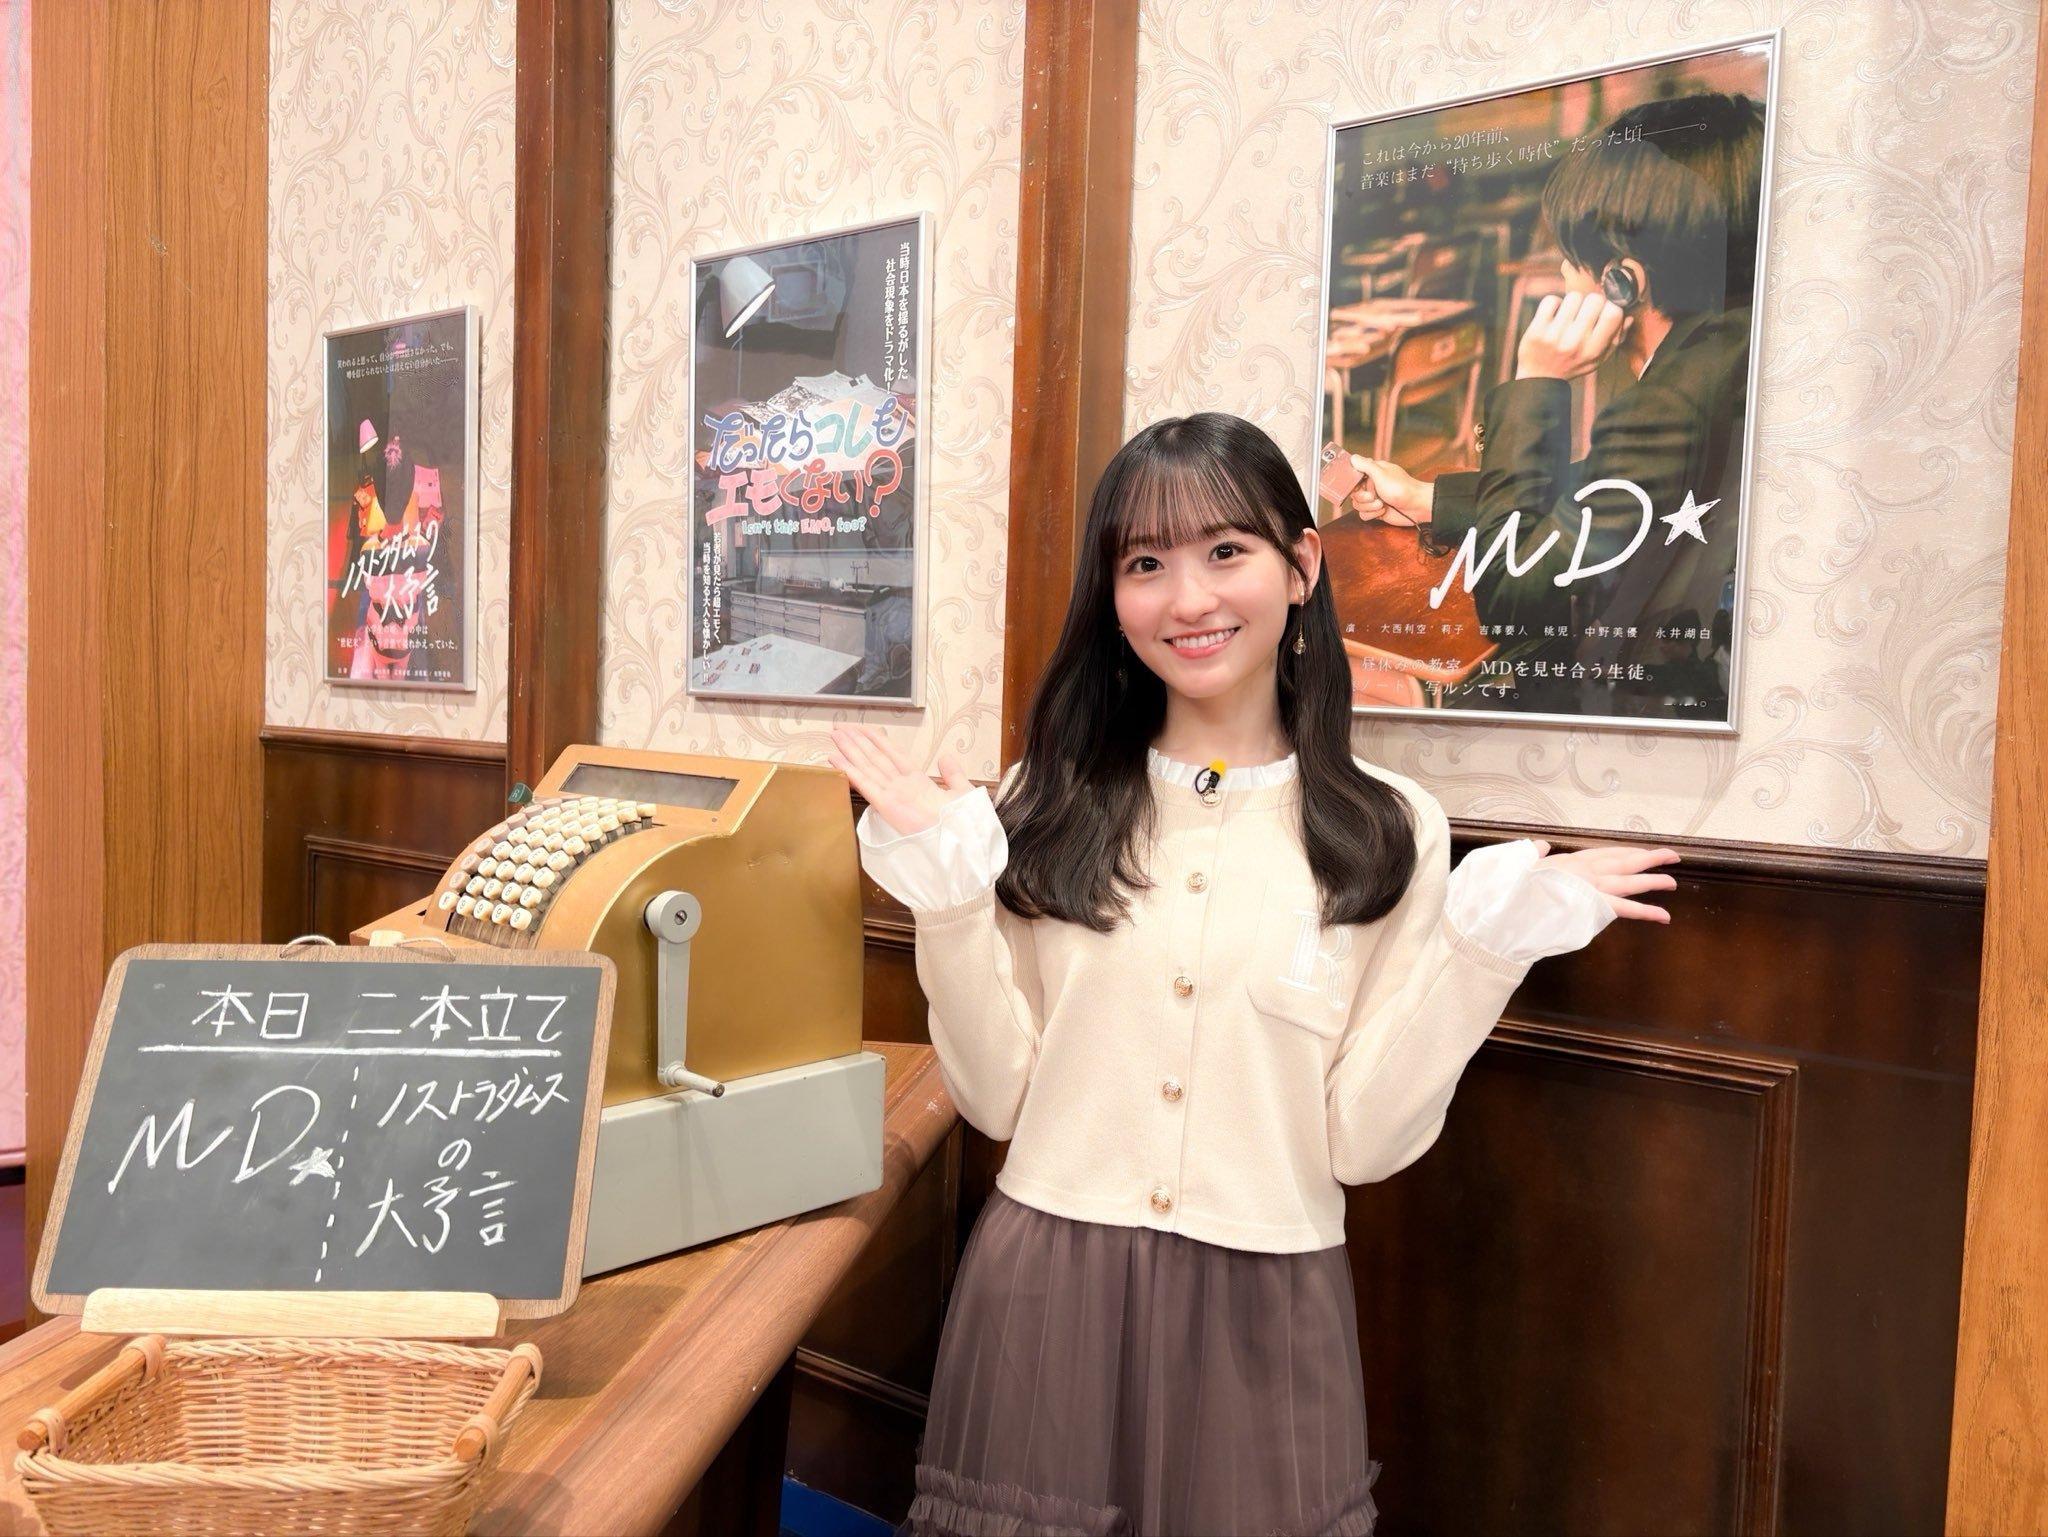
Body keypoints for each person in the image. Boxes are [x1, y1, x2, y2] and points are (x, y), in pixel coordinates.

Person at [827, 412, 1679, 1536]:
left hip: (1266, 1298)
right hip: (1046, 1286)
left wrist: (1485, 954)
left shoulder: (1388, 828)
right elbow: (996, 1099)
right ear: (1111, 594)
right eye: (1145, 563)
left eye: (1225, 551)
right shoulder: (1047, 800)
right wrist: (945, 900)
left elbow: (1361, 1142)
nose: (1188, 599)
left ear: (1301, 565)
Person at [1350, 93, 1764, 720]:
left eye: (1571, 260)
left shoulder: (1666, 407)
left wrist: (1536, 380)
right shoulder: (1727, 355)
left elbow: (1510, 598)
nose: (1563, 278)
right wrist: (1430, 500)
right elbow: (1605, 503)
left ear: (1624, 281)